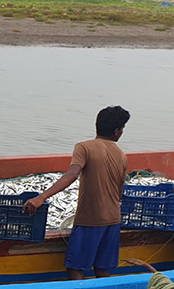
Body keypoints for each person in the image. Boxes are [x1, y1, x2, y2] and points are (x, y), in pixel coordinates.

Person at [23, 106, 130, 279]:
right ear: (117, 131)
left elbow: (72, 174)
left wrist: (41, 197)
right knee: (103, 269)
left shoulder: (84, 147)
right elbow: (119, 191)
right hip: (113, 220)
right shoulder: (121, 155)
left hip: (90, 219)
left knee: (76, 268)